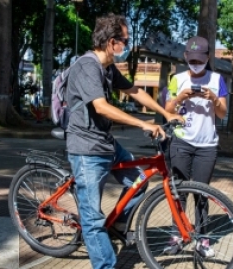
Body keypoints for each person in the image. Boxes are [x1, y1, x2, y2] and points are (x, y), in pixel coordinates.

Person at [65, 13, 183, 269]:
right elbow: (102, 107)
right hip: (86, 148)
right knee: (93, 221)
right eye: (125, 41)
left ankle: (117, 223)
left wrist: (165, 114)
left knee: (139, 181)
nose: (127, 46)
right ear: (110, 42)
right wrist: (143, 124)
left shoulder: (108, 68)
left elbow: (135, 90)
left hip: (106, 144)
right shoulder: (87, 66)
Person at [163, 36, 228, 258]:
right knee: (179, 192)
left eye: (201, 60)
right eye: (192, 60)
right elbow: (168, 110)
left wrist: (214, 99)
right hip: (181, 142)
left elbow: (222, 113)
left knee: (202, 194)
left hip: (207, 145)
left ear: (208, 57)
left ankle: (202, 240)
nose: (196, 64)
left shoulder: (217, 79)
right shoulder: (177, 79)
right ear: (185, 57)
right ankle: (176, 236)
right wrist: (181, 96)